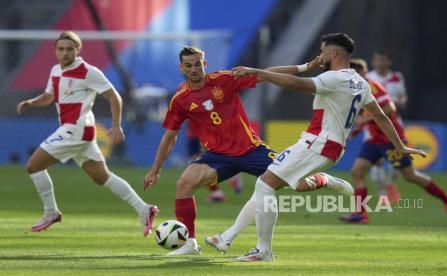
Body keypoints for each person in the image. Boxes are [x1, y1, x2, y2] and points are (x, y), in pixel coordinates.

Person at [227, 33, 427, 262]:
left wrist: (256, 71)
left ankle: (263, 251)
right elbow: (381, 116)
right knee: (277, 185)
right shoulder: (360, 82)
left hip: (318, 143)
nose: (320, 55)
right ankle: (257, 243)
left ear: (333, 53)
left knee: (264, 185)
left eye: (323, 51)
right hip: (331, 147)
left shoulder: (334, 78)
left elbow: (294, 83)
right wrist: (400, 145)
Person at [143, 46, 351, 256]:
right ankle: (190, 244)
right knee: (184, 184)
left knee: (298, 184)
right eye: (188, 65)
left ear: (204, 64)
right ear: (181, 67)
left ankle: (324, 179)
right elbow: (170, 136)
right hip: (218, 155)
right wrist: (155, 169)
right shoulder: (180, 100)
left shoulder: (225, 79)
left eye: (198, 64)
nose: (194, 69)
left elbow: (267, 74)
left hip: (251, 149)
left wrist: (306, 66)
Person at [16, 31, 158, 236]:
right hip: (78, 131)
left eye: (69, 49)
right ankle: (144, 209)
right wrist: (31, 102)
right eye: (61, 49)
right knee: (102, 177)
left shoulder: (87, 71)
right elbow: (49, 96)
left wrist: (117, 126)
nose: (65, 53)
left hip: (77, 129)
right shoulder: (55, 70)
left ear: (77, 50)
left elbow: (114, 97)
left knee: (33, 165)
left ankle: (51, 212)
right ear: (55, 51)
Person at [338, 59, 447, 224]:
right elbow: (369, 114)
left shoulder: (372, 87)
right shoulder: (357, 89)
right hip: (374, 140)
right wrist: (359, 128)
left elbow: (390, 108)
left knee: (409, 175)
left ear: (358, 72)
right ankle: (360, 214)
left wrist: (363, 122)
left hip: (390, 140)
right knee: (357, 171)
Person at [365, 51, 408, 203]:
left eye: (384, 60)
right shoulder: (368, 78)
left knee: (399, 160)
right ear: (373, 62)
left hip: (394, 123)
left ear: (389, 62)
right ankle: (383, 193)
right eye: (378, 60)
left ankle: (390, 183)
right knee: (375, 162)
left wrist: (402, 101)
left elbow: (403, 96)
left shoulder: (397, 77)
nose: (381, 63)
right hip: (373, 125)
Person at [186, 121, 244, 203]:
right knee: (200, 164)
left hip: (200, 132)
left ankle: (219, 190)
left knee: (199, 165)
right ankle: (231, 176)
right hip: (198, 132)